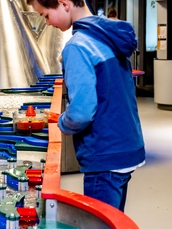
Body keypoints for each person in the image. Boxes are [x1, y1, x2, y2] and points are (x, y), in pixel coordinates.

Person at [27, 0, 145, 212]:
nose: (47, 23)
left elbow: (81, 113)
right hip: (125, 146)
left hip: (103, 154)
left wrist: (62, 122)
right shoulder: (107, 35)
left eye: (45, 15)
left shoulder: (77, 46)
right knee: (113, 225)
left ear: (64, 3)